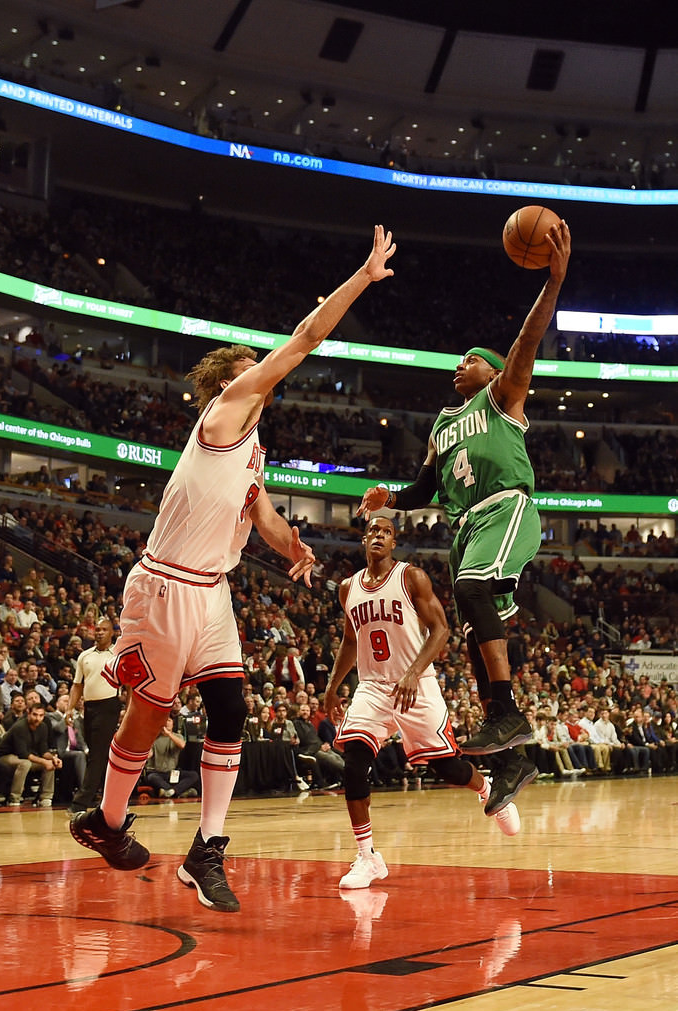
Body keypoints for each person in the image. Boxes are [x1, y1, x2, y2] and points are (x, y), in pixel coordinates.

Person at [69, 225, 396, 911]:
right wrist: (363, 278)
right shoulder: (223, 414)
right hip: (164, 586)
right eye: (250, 367)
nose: (263, 374)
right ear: (227, 384)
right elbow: (306, 338)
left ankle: (206, 851)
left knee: (230, 710)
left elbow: (264, 517)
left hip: (211, 592)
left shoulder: (252, 449)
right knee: (149, 718)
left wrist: (294, 550)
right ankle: (105, 821)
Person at [356, 219, 571, 814]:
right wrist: (392, 499)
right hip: (467, 527)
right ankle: (512, 760)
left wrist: (551, 285)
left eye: (469, 359)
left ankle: (505, 712)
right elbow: (427, 485)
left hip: (506, 508)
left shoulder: (502, 397)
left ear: (492, 370)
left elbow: (526, 341)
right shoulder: (443, 426)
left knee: (474, 588)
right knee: (476, 639)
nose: (459, 365)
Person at [325, 516, 519, 890]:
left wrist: (414, 671)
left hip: (416, 684)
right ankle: (368, 857)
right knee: (354, 763)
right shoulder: (348, 588)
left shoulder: (411, 577)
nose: (377, 536)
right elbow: (351, 640)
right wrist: (334, 686)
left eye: (385, 532)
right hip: (373, 687)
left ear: (394, 542)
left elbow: (442, 629)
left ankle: (487, 788)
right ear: (364, 540)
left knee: (447, 769)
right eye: (372, 532)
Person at [65, 618, 120, 814]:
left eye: (103, 629)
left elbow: (129, 686)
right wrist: (69, 709)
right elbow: (77, 685)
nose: (99, 633)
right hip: (89, 708)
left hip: (110, 706)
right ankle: (112, 800)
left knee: (96, 756)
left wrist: (128, 710)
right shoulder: (84, 656)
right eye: (96, 629)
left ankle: (79, 803)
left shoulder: (118, 654)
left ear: (111, 633)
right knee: (99, 755)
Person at [0, 703, 62, 806]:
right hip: (5, 756)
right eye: (35, 715)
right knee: (25, 763)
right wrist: (44, 762)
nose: (38, 718)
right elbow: (23, 754)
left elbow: (43, 751)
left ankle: (46, 797)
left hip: (25, 756)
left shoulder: (43, 727)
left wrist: (53, 758)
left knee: (50, 764)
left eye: (41, 715)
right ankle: (14, 798)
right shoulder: (20, 727)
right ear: (28, 713)